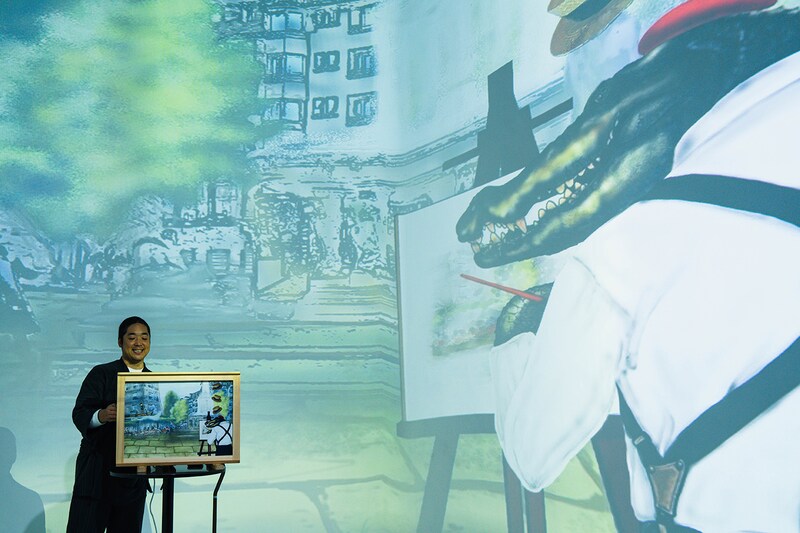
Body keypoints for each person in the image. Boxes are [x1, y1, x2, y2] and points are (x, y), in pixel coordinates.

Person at [66, 316, 153, 533]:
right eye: (132, 337)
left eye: (144, 338)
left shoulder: (155, 381)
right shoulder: (101, 373)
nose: (138, 343)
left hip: (132, 479)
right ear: (120, 341)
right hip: (97, 474)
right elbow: (79, 412)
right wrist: (101, 415)